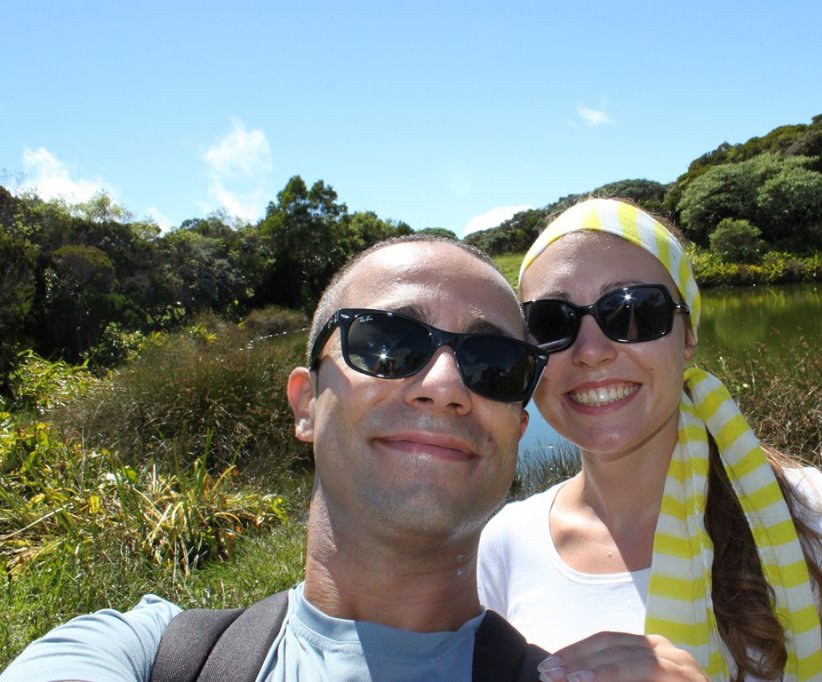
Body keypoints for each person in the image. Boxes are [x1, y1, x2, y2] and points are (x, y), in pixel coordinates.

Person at [2, 235, 550, 681]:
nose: (445, 386)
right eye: (387, 342)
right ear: (306, 404)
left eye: (496, 364)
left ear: (517, 430)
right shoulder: (145, 654)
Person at [478, 199, 822, 682]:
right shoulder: (503, 547)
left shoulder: (815, 518)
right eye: (550, 322)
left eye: (634, 311)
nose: (591, 352)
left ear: (689, 335)